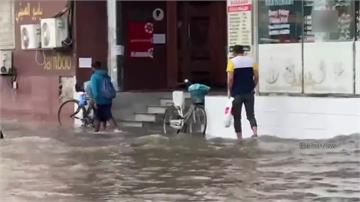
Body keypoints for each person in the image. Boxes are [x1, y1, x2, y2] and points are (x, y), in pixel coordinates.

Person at [226, 45, 258, 140]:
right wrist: (253, 87)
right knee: (251, 115)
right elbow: (256, 77)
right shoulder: (251, 61)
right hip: (249, 92)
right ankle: (255, 132)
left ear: (234, 52)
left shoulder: (231, 62)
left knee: (237, 117)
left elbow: (230, 79)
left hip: (237, 93)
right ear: (243, 52)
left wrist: (229, 90)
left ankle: (239, 138)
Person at [90, 61, 120, 132]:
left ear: (93, 68)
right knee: (102, 115)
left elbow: (95, 91)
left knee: (103, 116)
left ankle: (116, 130)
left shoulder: (94, 77)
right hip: (108, 99)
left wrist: (94, 100)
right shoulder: (106, 75)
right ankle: (98, 131)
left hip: (100, 100)